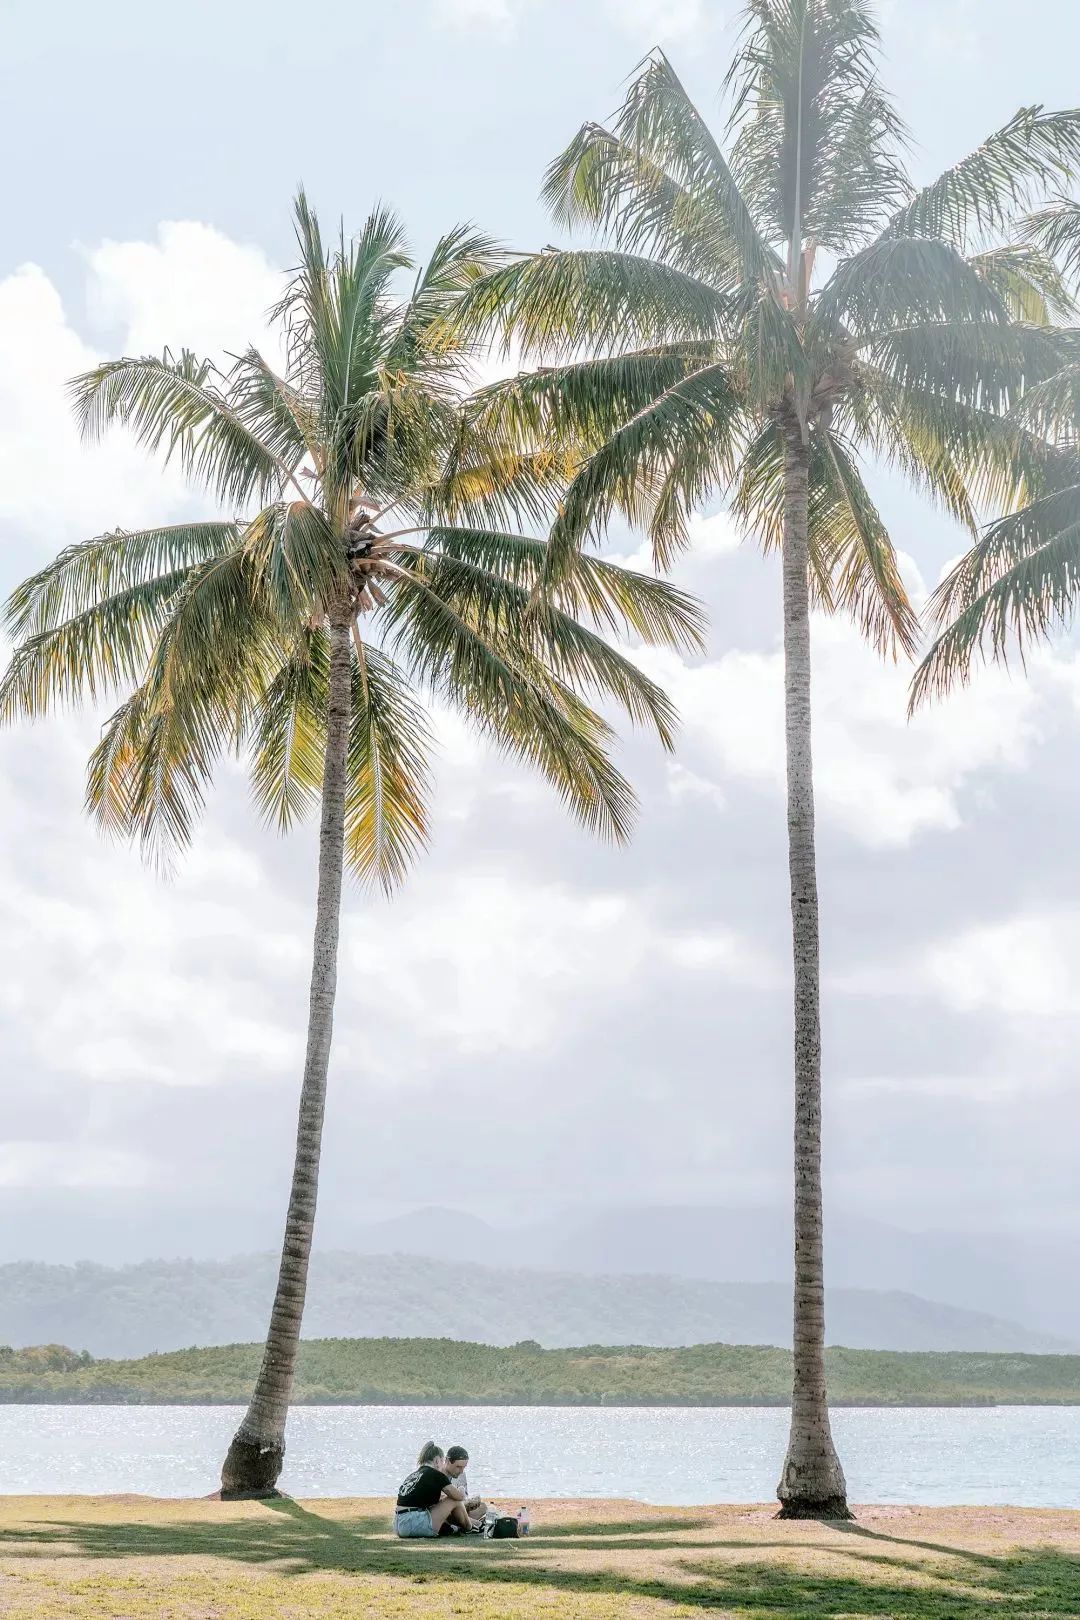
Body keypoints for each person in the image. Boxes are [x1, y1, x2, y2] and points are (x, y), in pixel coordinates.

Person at [394, 1442, 476, 1539]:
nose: (442, 1465)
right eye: (442, 1461)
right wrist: (461, 1489)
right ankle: (470, 1528)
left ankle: (465, 1526)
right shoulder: (436, 1475)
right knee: (453, 1500)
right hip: (413, 1523)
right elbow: (458, 1497)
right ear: (438, 1461)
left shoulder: (416, 1474)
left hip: (398, 1525)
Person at [445, 1445, 488, 1524]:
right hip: (445, 1512)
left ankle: (464, 1522)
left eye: (463, 1467)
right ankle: (469, 1523)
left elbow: (464, 1497)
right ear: (447, 1461)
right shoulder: (439, 1475)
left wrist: (471, 1503)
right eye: (458, 1467)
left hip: (459, 1510)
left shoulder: (461, 1474)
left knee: (483, 1507)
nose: (461, 1471)